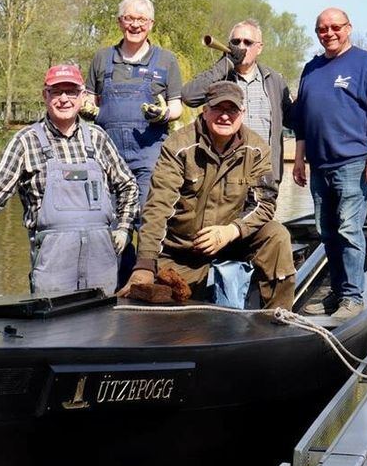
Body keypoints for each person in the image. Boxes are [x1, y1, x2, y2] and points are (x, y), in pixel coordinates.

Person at [0, 64, 139, 297]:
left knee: (104, 329)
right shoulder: (26, 141)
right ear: (45, 96)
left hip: (102, 267)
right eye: (56, 92)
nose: (64, 99)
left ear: (83, 96)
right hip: (52, 270)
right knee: (51, 331)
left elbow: (128, 185)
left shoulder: (97, 138)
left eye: (72, 91)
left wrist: (124, 228)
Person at [117, 81, 296, 310]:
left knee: (277, 234)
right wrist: (145, 263)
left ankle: (279, 316)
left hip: (233, 240)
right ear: (205, 110)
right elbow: (158, 206)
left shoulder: (257, 148)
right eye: (217, 109)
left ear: (242, 113)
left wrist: (232, 231)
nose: (224, 116)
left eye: (231, 110)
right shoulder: (177, 146)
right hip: (182, 249)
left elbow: (265, 203)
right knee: (163, 312)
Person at [291, 8, 367, 319]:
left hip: (353, 162)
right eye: (322, 29)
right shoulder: (311, 68)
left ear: (349, 28)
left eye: (335, 27)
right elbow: (302, 120)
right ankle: (336, 292)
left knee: (350, 230)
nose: (329, 33)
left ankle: (353, 297)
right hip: (319, 165)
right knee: (327, 232)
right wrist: (299, 159)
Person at [84, 0, 184, 209]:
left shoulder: (167, 60)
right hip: (107, 154)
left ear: (151, 24)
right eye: (129, 18)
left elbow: (177, 106)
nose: (135, 25)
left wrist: (163, 114)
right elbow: (89, 99)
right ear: (119, 21)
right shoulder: (102, 58)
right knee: (108, 220)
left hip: (149, 155)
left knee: (148, 219)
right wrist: (87, 110)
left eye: (142, 20)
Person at [181, 19, 293, 182]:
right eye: (235, 42)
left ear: (259, 48)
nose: (241, 47)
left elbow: (293, 120)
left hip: (264, 172)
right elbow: (189, 96)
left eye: (247, 42)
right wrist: (225, 64)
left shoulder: (274, 80)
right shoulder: (219, 76)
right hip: (223, 172)